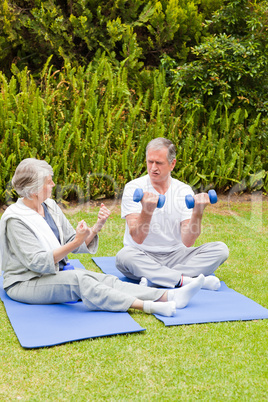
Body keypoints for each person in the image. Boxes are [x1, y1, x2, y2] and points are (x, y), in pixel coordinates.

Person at [0, 158, 206, 318]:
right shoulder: (16, 219)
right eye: (48, 181)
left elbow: (73, 240)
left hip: (51, 274)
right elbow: (37, 262)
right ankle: (148, 306)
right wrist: (74, 241)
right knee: (80, 279)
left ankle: (168, 296)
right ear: (34, 189)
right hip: (25, 282)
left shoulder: (50, 207)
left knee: (104, 279)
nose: (54, 184)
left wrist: (96, 227)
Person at [116, 138, 229, 290]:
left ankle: (157, 279)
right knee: (124, 257)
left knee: (220, 250)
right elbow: (137, 238)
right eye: (150, 162)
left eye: (159, 163)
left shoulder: (183, 191)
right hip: (141, 255)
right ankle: (186, 281)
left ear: (172, 164)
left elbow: (188, 241)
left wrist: (197, 212)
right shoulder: (133, 188)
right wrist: (147, 210)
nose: (153, 168)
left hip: (176, 257)